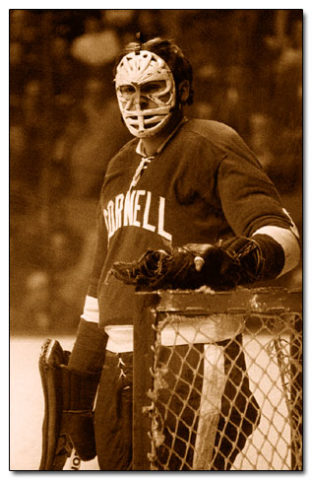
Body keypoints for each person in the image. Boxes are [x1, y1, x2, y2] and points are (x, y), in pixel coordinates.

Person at [63, 37, 300, 470]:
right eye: (128, 90)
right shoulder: (118, 165)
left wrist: (230, 261)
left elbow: (284, 238)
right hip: (120, 370)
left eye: (152, 87)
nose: (139, 101)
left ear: (183, 90)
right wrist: (80, 386)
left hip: (193, 354)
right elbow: (101, 286)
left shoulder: (211, 142)